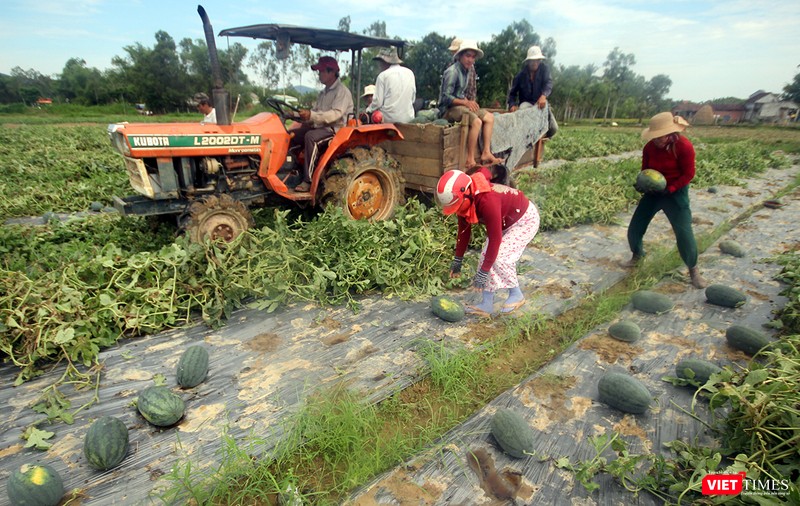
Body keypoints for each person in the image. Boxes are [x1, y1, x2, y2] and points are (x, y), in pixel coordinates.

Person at [436, 166, 541, 317]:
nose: (456, 210)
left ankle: (516, 294)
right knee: (486, 257)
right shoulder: (464, 201)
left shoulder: (487, 200)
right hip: (505, 221)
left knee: (500, 257)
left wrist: (484, 272)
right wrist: (458, 260)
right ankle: (487, 304)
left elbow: (495, 238)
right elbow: (464, 232)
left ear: (467, 193)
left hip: (524, 220)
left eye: (457, 205)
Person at [623, 111, 708, 289]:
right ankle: (637, 256)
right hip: (654, 192)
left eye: (660, 137)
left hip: (676, 193)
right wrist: (642, 185)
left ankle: (693, 269)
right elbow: (646, 170)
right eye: (654, 137)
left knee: (684, 232)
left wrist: (671, 189)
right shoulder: (649, 148)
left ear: (669, 134)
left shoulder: (684, 146)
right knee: (635, 227)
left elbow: (689, 174)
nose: (657, 140)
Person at [289, 56, 354, 192]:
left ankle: (308, 180)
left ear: (332, 72)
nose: (319, 74)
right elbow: (315, 112)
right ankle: (291, 170)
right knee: (292, 135)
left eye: (321, 71)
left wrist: (311, 115)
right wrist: (295, 114)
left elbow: (335, 114)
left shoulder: (342, 92)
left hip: (335, 130)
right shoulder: (323, 93)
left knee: (311, 137)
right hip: (321, 127)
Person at [439, 40, 502, 168]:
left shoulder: (467, 70)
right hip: (448, 110)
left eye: (473, 57)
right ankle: (470, 158)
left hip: (461, 106)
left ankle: (486, 152)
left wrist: (469, 103)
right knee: (476, 122)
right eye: (468, 56)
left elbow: (466, 93)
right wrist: (466, 102)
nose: (470, 60)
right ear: (460, 56)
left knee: (489, 117)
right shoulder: (452, 72)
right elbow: (445, 98)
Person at [366, 47, 416, 124]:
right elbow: (413, 99)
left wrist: (368, 110)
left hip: (388, 120)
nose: (379, 65)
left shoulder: (382, 76)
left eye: (380, 62)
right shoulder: (410, 73)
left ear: (384, 61)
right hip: (409, 119)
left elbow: (377, 103)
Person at [507, 46, 553, 111]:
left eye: (537, 60)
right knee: (523, 107)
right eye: (532, 60)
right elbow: (512, 94)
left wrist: (543, 96)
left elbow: (548, 83)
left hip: (540, 104)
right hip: (525, 105)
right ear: (528, 61)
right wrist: (512, 105)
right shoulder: (521, 76)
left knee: (548, 113)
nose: (535, 63)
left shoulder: (544, 69)